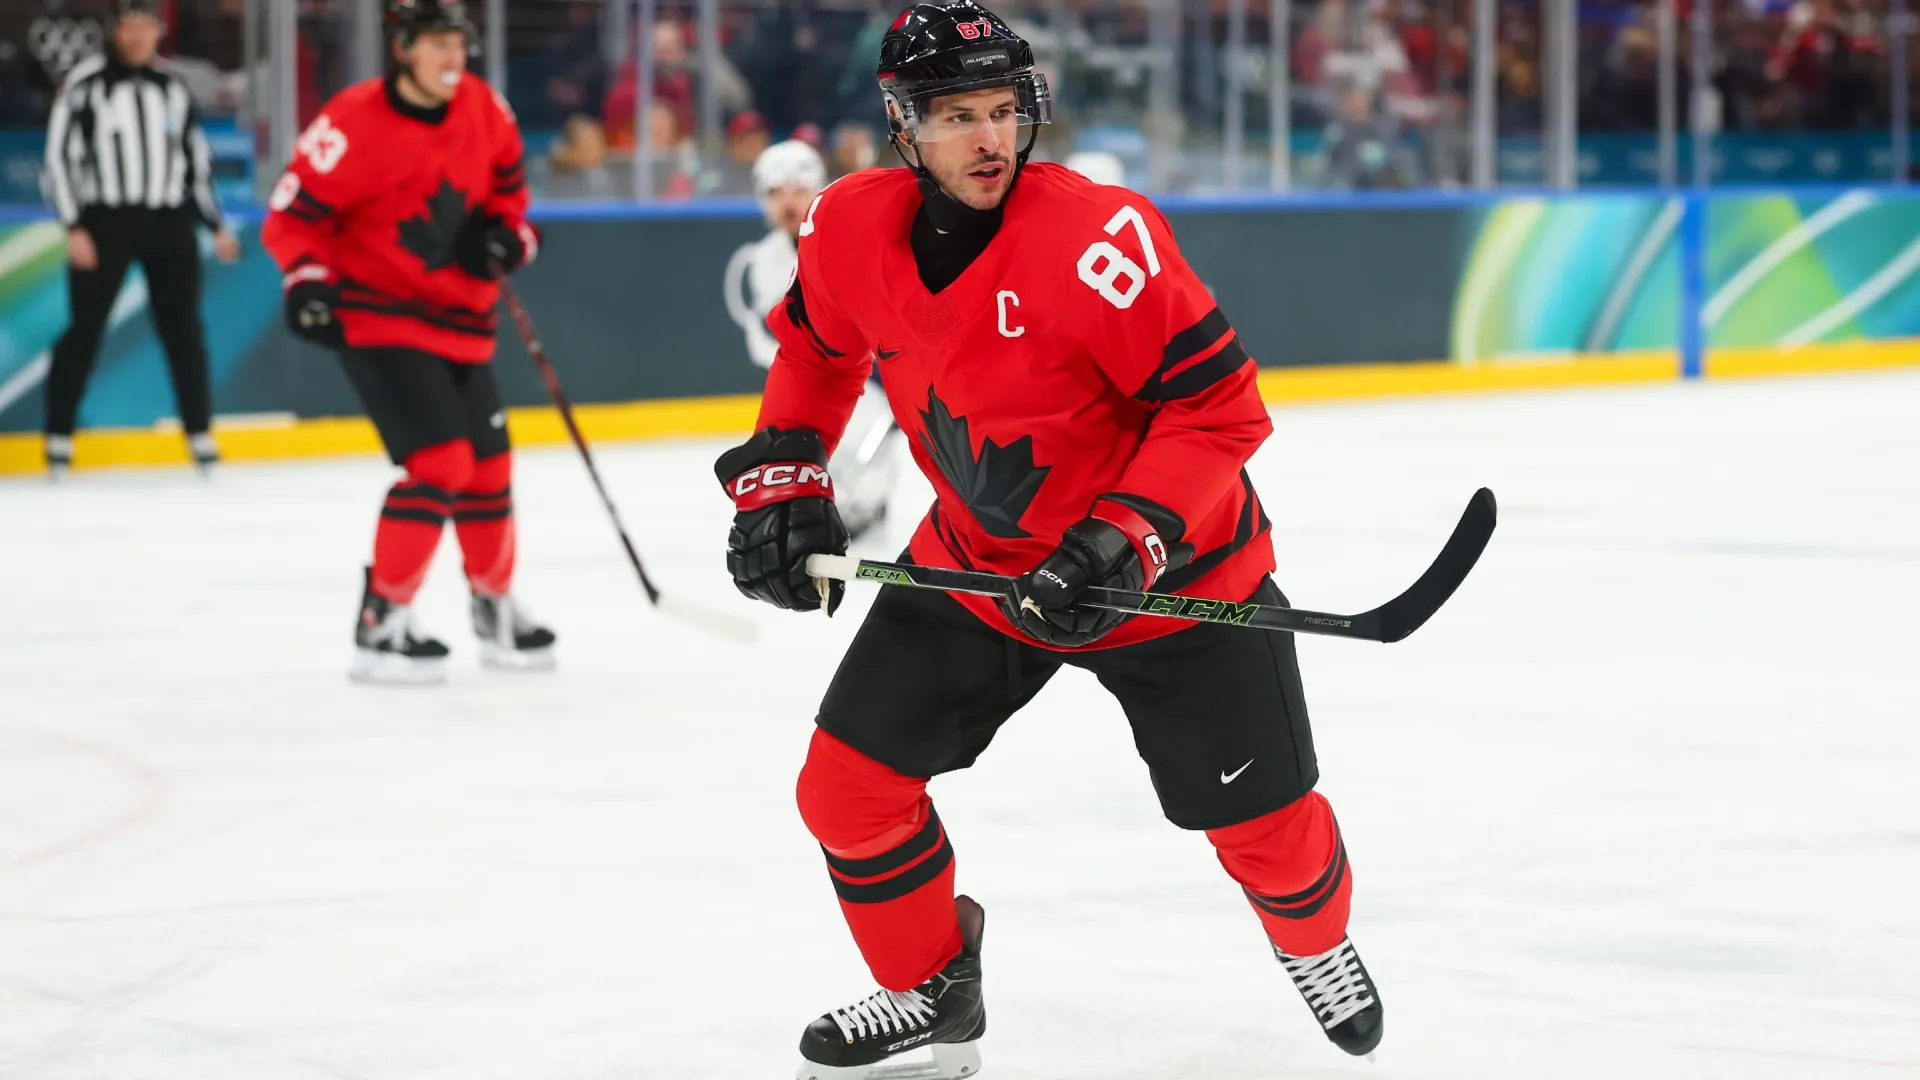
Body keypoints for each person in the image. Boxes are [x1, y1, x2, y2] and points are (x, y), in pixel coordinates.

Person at [713, 4, 1385, 1077]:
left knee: (1264, 826)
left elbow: (1222, 410)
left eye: (1002, 112)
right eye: (956, 117)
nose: (989, 141)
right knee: (845, 790)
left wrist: (1117, 541)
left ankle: (1317, 944)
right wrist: (784, 479)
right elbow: (815, 351)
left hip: (1172, 580)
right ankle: (935, 987)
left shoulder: (1095, 237)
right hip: (978, 565)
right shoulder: (845, 227)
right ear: (902, 124)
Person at [261, 0, 555, 685]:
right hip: (377, 316)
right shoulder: (351, 121)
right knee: (441, 462)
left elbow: (512, 201)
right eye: (437, 44)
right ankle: (382, 621)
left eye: (459, 44)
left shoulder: (487, 109)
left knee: (488, 467)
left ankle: (494, 605)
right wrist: (306, 282)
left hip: (463, 320)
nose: (453, 58)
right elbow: (290, 216)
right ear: (404, 49)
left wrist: (509, 239)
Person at [40, 0, 241, 478]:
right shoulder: (85, 86)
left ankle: (199, 433)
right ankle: (59, 436)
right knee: (85, 331)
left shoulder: (172, 86)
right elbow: (59, 161)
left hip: (169, 221)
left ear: (157, 32)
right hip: (105, 221)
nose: (136, 37)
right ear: (115, 32)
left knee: (184, 331)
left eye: (145, 28)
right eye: (128, 28)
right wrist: (74, 226)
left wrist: (214, 224)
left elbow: (195, 162)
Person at [723, 138, 899, 542]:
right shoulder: (764, 261)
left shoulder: (847, 239)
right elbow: (777, 340)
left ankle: (866, 516)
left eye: (797, 189)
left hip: (868, 374)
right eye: (774, 192)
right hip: (817, 380)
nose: (787, 202)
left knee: (870, 443)